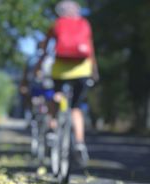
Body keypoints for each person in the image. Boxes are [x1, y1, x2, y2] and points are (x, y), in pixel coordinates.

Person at [35, 0, 99, 167]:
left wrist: (39, 66)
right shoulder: (84, 23)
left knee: (55, 96)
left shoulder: (56, 24)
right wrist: (94, 71)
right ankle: (79, 142)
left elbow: (44, 48)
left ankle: (53, 129)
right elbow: (90, 50)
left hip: (60, 70)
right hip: (82, 70)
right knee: (76, 108)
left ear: (60, 12)